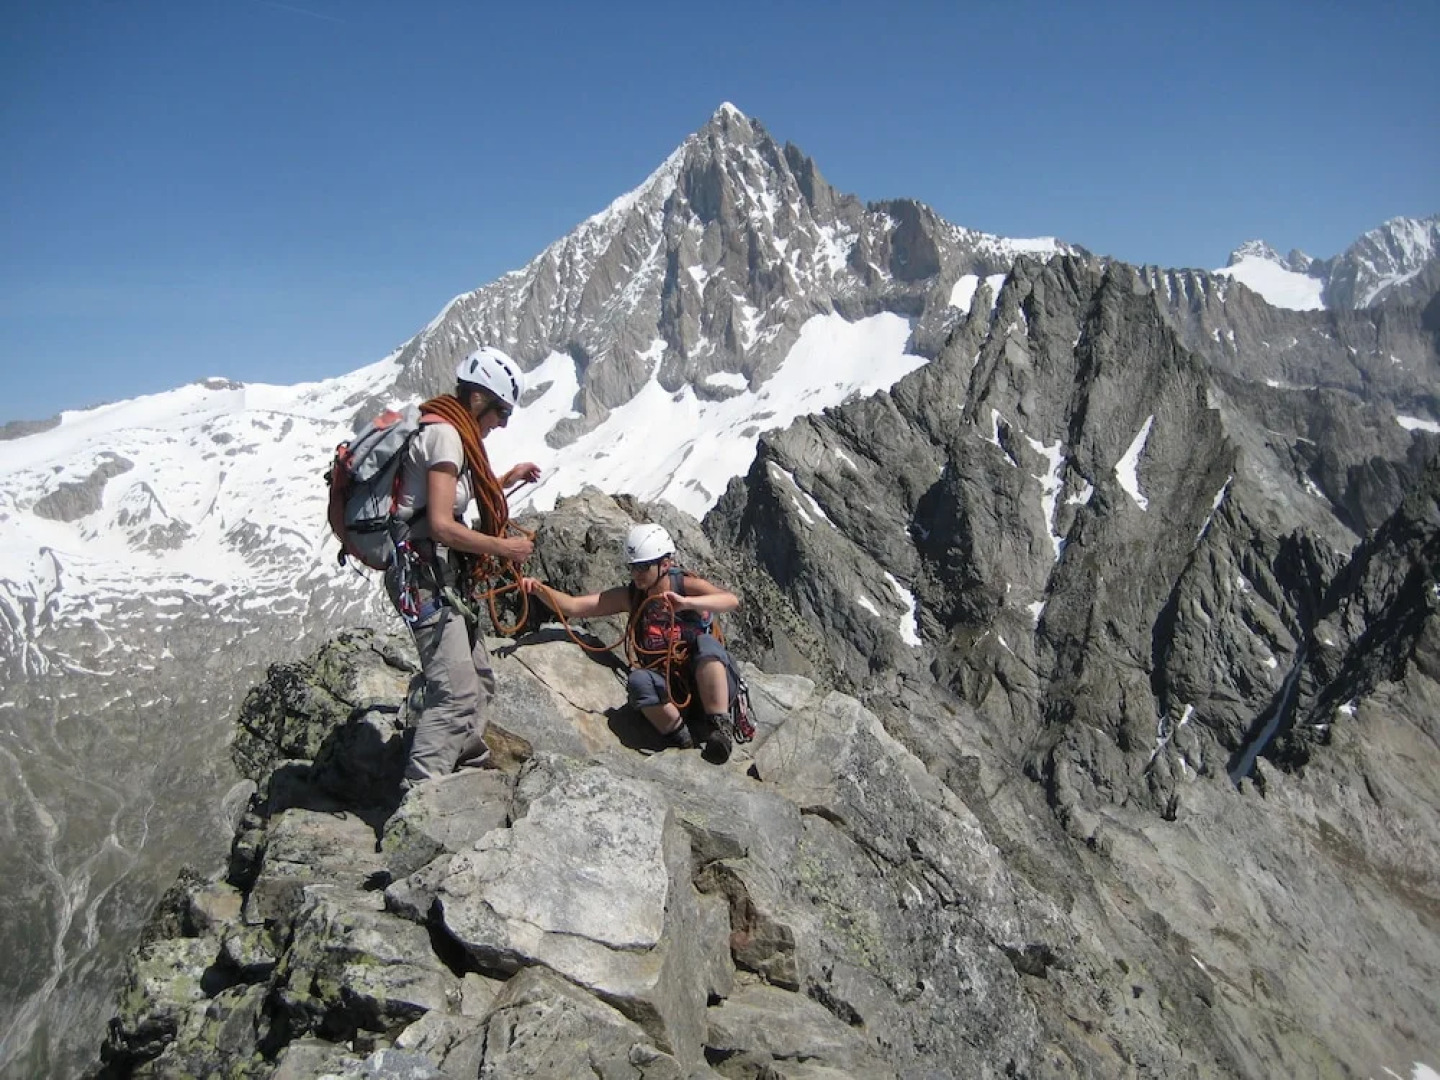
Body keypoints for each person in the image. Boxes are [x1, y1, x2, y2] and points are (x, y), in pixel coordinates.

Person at [387, 346, 539, 788]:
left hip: (437, 575)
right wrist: (503, 548)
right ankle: (420, 798)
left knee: (481, 680)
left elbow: (450, 496)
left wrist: (506, 479)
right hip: (424, 578)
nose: (503, 422)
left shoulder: (448, 429)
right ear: (479, 399)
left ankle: (465, 762)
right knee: (454, 695)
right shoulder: (446, 436)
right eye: (501, 411)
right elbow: (439, 524)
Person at [521, 523, 743, 763]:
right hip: (671, 689)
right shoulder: (633, 596)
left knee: (706, 645)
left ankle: (720, 727)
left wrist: (688, 604)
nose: (637, 574)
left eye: (644, 567)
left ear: (665, 564)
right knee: (638, 681)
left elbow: (730, 600)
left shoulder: (685, 586)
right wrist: (539, 590)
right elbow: (574, 606)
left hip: (709, 683)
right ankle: (682, 738)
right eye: (633, 567)